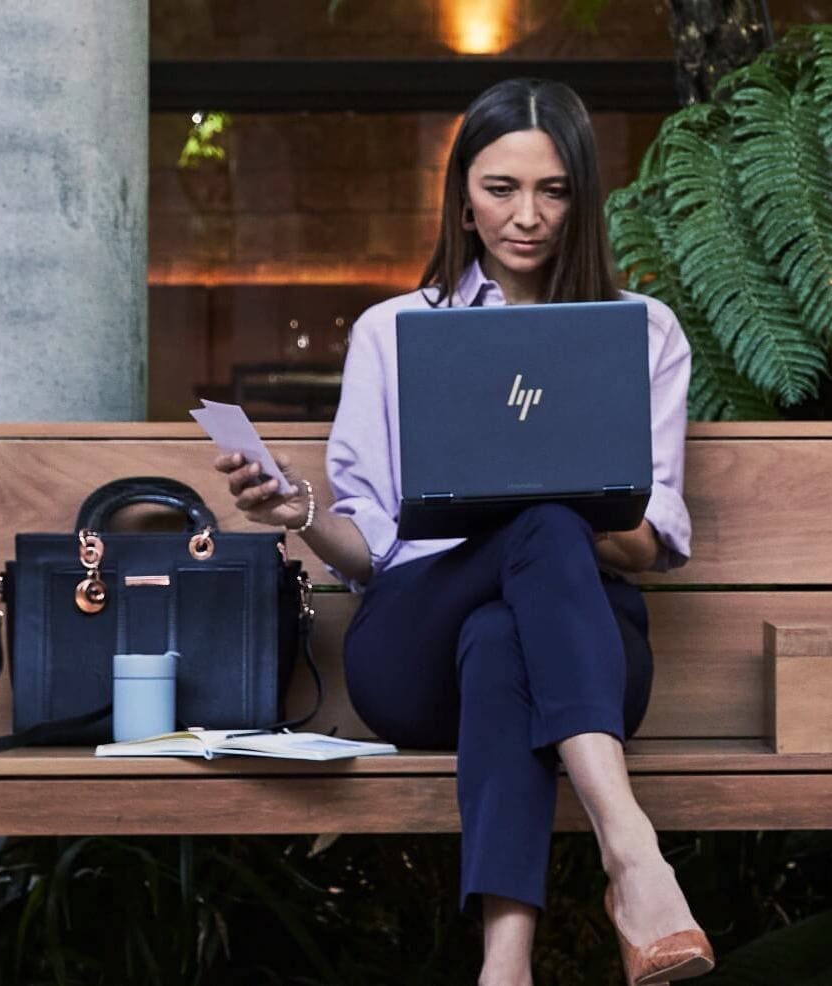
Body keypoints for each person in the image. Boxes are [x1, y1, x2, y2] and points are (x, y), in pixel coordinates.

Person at [216, 78, 712, 986]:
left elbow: (650, 548)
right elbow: (368, 551)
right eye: (501, 188)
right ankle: (633, 854)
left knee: (515, 604)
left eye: (553, 190)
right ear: (461, 196)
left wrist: (557, 504)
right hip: (412, 650)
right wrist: (304, 518)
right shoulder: (394, 331)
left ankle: (504, 965)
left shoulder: (643, 334)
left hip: (583, 650)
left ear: (581, 199)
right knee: (530, 530)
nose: (527, 215)